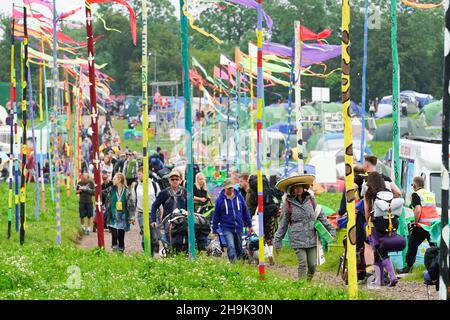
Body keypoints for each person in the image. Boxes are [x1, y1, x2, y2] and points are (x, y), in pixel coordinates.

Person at [274, 174, 336, 280]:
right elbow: (283, 224)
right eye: (295, 187)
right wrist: (277, 241)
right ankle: (301, 285)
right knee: (303, 263)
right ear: (291, 189)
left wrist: (331, 229)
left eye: (300, 187)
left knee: (312, 265)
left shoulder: (311, 200)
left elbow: (320, 215)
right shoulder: (287, 204)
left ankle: (308, 283)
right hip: (297, 238)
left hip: (311, 237)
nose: (298, 189)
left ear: (304, 187)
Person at [364, 172, 402, 287]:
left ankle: (392, 276)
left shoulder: (368, 192)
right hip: (389, 224)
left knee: (379, 251)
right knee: (379, 252)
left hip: (375, 225)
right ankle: (379, 280)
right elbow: (399, 193)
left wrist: (368, 222)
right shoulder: (388, 191)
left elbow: (366, 211)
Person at [397, 176, 439, 274]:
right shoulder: (430, 194)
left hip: (422, 225)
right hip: (433, 225)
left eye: (412, 185)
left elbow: (418, 209)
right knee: (435, 247)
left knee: (412, 245)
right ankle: (439, 267)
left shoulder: (416, 194)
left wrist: (415, 222)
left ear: (415, 185)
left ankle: (408, 267)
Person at [212, 178, 253, 263]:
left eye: (232, 188)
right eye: (228, 188)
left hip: (238, 226)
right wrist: (215, 229)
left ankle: (240, 261)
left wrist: (250, 225)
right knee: (230, 246)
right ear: (224, 188)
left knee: (238, 247)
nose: (231, 190)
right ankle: (233, 264)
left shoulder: (239, 197)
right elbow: (216, 215)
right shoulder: (220, 200)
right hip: (226, 227)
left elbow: (245, 211)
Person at [150, 169, 188, 252]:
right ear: (169, 181)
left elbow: (191, 206)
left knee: (186, 236)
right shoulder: (164, 193)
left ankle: (183, 253)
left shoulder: (185, 192)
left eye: (177, 179)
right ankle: (169, 251)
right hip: (169, 220)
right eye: (172, 179)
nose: (174, 181)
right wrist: (153, 220)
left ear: (180, 180)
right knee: (169, 237)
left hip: (183, 218)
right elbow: (154, 206)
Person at [104, 172, 136, 253]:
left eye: (114, 178)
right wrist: (85, 189)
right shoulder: (111, 189)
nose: (112, 180)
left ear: (119, 180)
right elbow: (100, 192)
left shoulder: (126, 192)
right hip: (113, 216)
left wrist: (132, 217)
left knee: (121, 236)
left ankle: (121, 250)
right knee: (114, 235)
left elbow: (131, 205)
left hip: (123, 217)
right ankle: (114, 249)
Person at [133, 167, 161, 254]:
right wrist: (133, 215)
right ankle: (147, 253)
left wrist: (161, 209)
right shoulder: (136, 186)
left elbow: (159, 198)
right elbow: (134, 200)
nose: (138, 176)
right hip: (141, 213)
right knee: (144, 233)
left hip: (153, 213)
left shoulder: (154, 185)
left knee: (154, 234)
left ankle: (155, 244)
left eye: (140, 174)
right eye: (138, 174)